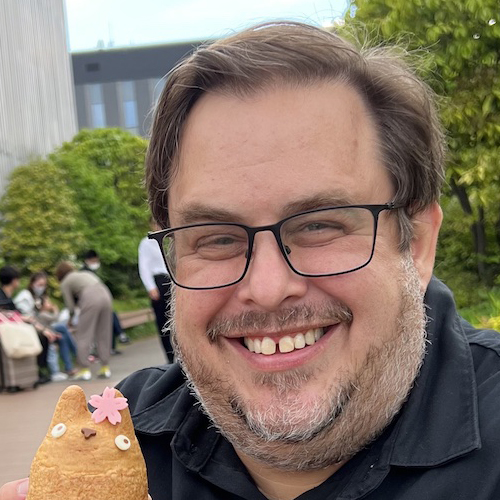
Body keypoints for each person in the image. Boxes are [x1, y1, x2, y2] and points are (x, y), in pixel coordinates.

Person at [2, 21, 500, 500]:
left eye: (319, 224)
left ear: (416, 245)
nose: (266, 287)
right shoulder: (117, 433)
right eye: (215, 237)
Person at [54, 261, 113, 381]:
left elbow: (70, 306)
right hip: (105, 294)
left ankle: (84, 369)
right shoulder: (84, 273)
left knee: (84, 334)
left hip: (90, 297)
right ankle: (105, 367)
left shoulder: (65, 282)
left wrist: (70, 319)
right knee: (103, 332)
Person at [0, 266, 58, 385]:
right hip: (9, 332)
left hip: (14, 329)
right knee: (41, 337)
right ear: (14, 280)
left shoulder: (8, 298)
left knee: (42, 335)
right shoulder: (5, 298)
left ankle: (37, 371)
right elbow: (16, 317)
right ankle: (39, 371)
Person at [14, 271, 77, 380]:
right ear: (32, 283)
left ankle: (68, 367)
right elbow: (29, 318)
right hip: (31, 328)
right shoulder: (25, 297)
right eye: (39, 285)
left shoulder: (39, 298)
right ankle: (74, 359)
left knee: (62, 334)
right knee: (58, 332)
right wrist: (53, 311)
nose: (41, 288)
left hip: (41, 326)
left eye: (43, 285)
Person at [138, 219, 174, 363]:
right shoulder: (147, 243)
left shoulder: (171, 239)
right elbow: (144, 266)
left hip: (173, 280)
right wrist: (150, 287)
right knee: (163, 322)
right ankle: (170, 358)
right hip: (159, 282)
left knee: (177, 321)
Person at [80, 249, 130, 353]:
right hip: (89, 305)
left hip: (97, 302)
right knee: (109, 316)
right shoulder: (84, 273)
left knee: (110, 315)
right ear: (88, 260)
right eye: (94, 261)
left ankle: (113, 344)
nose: (96, 263)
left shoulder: (91, 271)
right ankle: (120, 335)